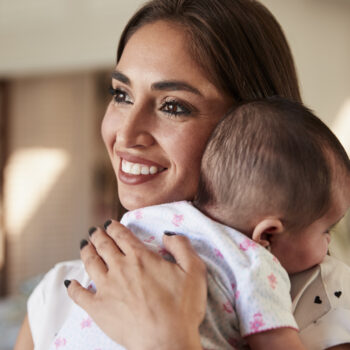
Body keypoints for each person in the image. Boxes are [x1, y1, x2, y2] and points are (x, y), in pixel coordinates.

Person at [13, 0, 349, 349]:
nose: (126, 136)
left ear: (258, 125)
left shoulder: (329, 307)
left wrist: (169, 340)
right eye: (121, 95)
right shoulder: (57, 295)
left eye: (173, 106)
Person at [45, 98, 350, 350]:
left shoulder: (152, 218)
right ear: (267, 234)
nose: (126, 135)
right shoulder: (256, 265)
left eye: (174, 107)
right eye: (326, 230)